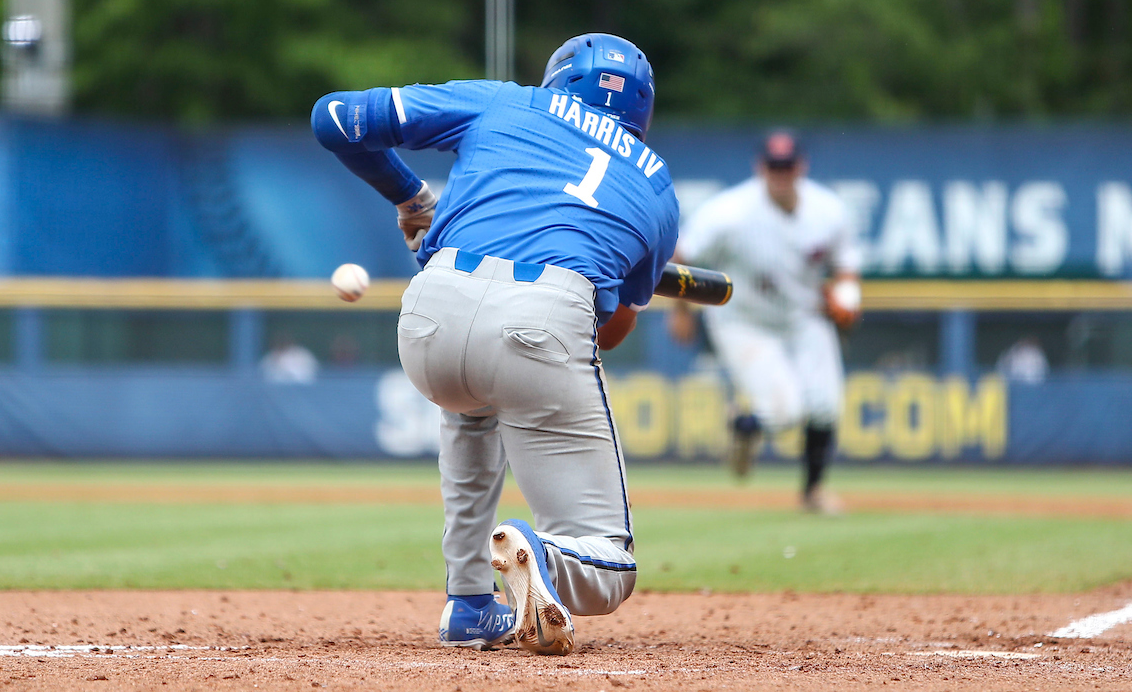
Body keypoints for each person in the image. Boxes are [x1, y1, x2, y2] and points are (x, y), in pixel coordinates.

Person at [310, 34, 679, 655]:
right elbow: (608, 331)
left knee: (471, 403)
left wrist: (411, 197)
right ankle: (546, 558)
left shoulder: (507, 103)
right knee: (610, 566)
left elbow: (336, 120)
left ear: (557, 80)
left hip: (431, 311)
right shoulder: (657, 188)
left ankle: (470, 600)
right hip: (545, 317)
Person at [667, 130, 861, 514]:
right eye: (774, 166)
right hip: (743, 320)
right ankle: (746, 426)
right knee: (786, 412)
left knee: (825, 404)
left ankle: (813, 491)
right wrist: (681, 310)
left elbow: (846, 268)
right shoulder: (730, 212)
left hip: (804, 317)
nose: (781, 174)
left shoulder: (828, 210)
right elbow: (682, 253)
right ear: (761, 168)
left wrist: (848, 300)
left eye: (787, 166)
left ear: (801, 167)